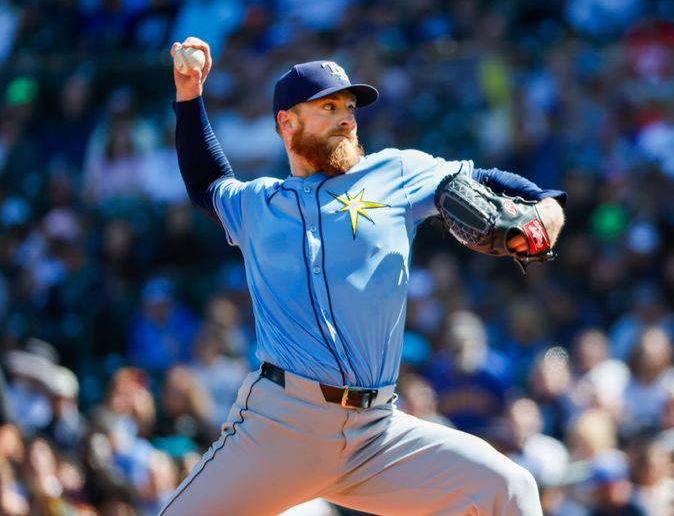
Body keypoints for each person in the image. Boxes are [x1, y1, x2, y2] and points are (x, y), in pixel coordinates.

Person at [159, 36, 566, 516]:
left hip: (377, 431)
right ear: (286, 124)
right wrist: (190, 95)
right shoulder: (258, 203)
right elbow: (207, 184)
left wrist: (546, 212)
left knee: (509, 486)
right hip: (282, 428)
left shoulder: (395, 171)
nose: (347, 118)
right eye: (328, 107)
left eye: (350, 107)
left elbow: (500, 183)